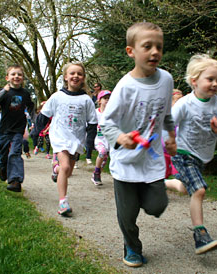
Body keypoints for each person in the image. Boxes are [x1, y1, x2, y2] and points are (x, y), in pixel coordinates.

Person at [100, 22, 176, 267]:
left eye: (159, 47)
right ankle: (132, 248)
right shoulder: (125, 87)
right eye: (148, 46)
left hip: (151, 158)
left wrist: (171, 136)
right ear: (131, 51)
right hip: (125, 160)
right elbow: (107, 123)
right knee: (128, 214)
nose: (155, 52)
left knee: (157, 206)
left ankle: (148, 194)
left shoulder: (166, 80)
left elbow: (166, 114)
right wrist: (120, 138)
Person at [167, 54, 217, 255]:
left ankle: (159, 183)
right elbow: (168, 124)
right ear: (194, 81)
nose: (215, 84)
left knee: (186, 189)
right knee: (199, 190)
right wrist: (169, 142)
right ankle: (200, 235)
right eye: (210, 79)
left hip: (202, 156)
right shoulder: (185, 103)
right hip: (183, 153)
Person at [33, 62, 97, 216]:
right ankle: (63, 202)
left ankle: (56, 169)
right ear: (66, 77)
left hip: (77, 139)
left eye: (79, 74)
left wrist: (90, 142)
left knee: (65, 172)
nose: (76, 76)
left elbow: (93, 122)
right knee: (66, 167)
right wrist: (36, 133)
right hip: (59, 137)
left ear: (83, 78)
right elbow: (43, 116)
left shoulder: (86, 100)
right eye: (72, 73)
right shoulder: (57, 96)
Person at [0, 64, 34, 192]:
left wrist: (34, 121)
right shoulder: (4, 93)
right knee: (3, 153)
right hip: (4, 129)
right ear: (7, 78)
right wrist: (4, 91)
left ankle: (15, 180)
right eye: (13, 74)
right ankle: (3, 168)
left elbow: (31, 106)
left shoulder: (25, 93)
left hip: (18, 130)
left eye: (19, 74)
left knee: (15, 153)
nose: (16, 76)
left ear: (23, 78)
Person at [91, 90, 111, 186]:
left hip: (110, 140)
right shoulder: (95, 113)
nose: (107, 100)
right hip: (99, 139)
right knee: (102, 152)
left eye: (109, 98)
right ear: (99, 101)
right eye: (105, 98)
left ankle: (96, 173)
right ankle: (96, 173)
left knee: (104, 161)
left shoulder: (112, 113)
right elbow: (89, 125)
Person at [86, 82, 102, 165]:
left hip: (101, 117)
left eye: (96, 86)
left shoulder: (102, 95)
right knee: (90, 138)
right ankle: (88, 156)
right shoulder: (92, 95)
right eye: (94, 86)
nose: (95, 88)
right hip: (93, 117)